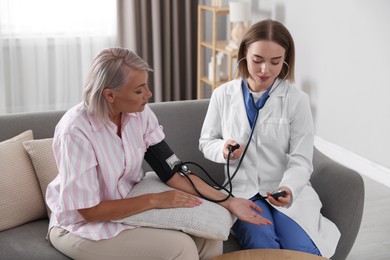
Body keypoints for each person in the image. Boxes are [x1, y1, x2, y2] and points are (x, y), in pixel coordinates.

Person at [46, 47, 271, 260]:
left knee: (209, 239)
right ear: (110, 95)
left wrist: (229, 201)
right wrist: (155, 200)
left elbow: (172, 171)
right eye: (139, 90)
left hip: (131, 209)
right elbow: (89, 211)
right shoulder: (75, 131)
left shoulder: (139, 115)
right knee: (181, 249)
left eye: (146, 85)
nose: (149, 94)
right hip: (81, 227)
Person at [199, 19, 341, 258]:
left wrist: (289, 188)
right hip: (244, 192)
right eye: (257, 60)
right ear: (244, 53)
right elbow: (206, 141)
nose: (265, 70)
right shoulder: (222, 95)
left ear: (286, 60)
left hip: (282, 189)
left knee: (303, 251)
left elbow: (301, 159)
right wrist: (223, 149)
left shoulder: (297, 100)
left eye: (275, 62)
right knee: (261, 244)